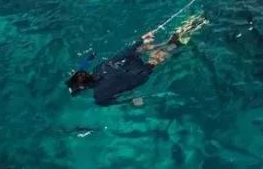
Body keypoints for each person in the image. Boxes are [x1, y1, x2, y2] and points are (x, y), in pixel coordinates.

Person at [67, 14, 208, 106]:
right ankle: (183, 31)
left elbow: (121, 100)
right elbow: (123, 53)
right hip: (129, 63)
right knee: (140, 51)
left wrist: (132, 101)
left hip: (139, 75)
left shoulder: (100, 97)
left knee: (162, 54)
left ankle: (182, 37)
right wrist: (140, 40)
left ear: (83, 88)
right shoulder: (100, 67)